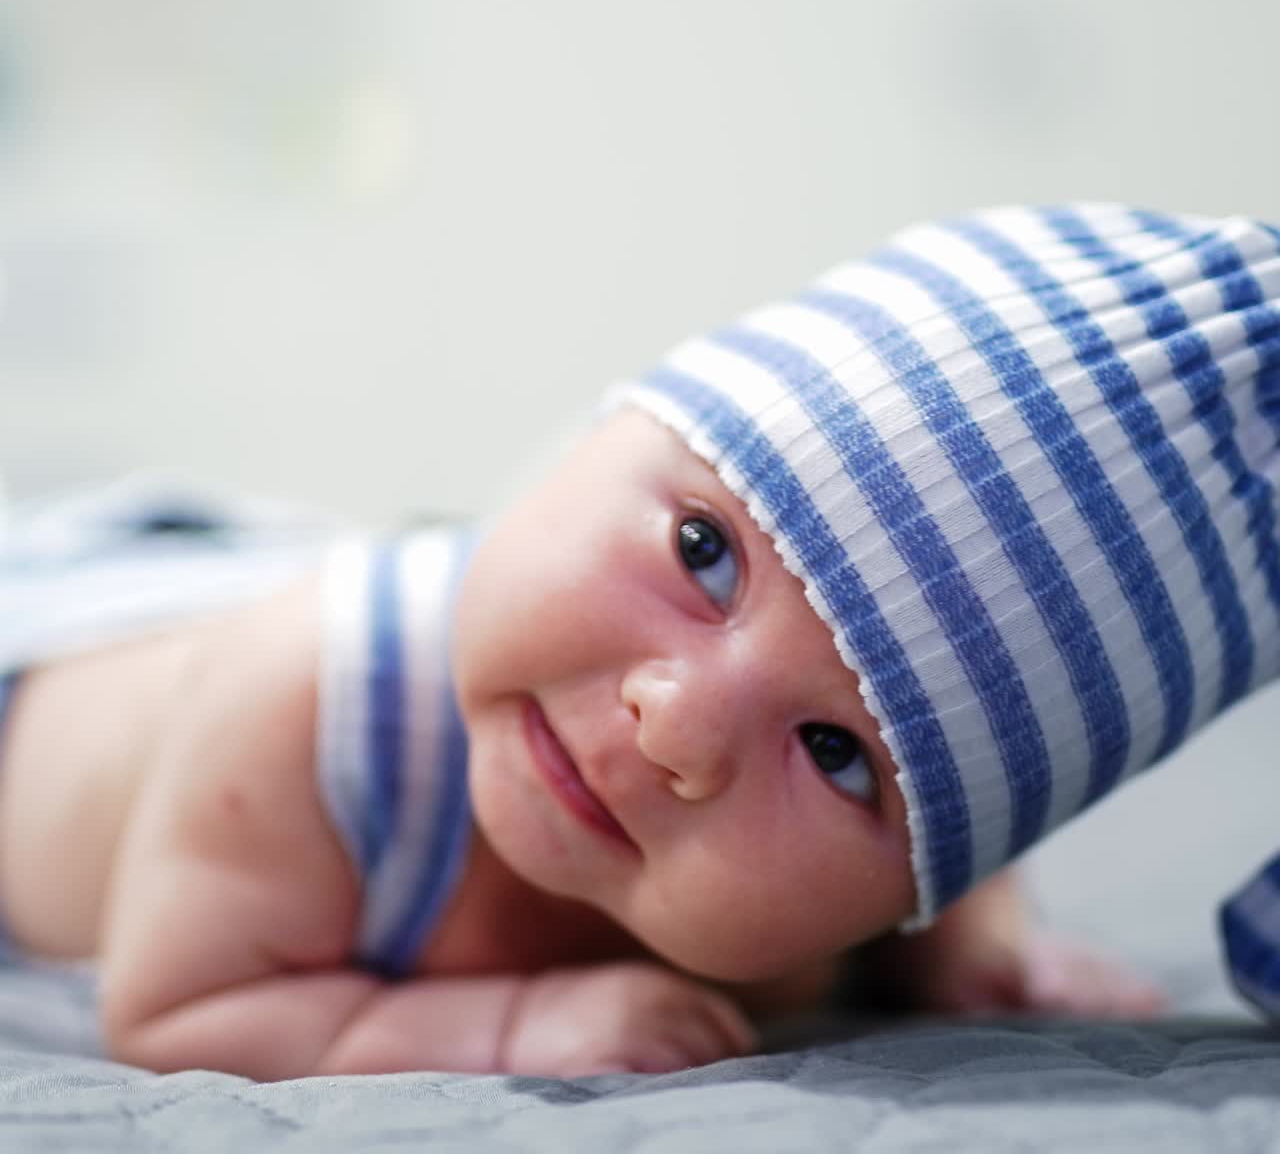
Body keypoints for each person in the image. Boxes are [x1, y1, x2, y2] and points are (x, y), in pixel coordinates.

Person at [0, 202, 1274, 1081]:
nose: (676, 720)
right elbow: (172, 1013)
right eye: (703, 551)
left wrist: (981, 944)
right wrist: (510, 1022)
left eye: (838, 753)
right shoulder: (304, 711)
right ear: (599, 431)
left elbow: (957, 849)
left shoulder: (827, 897)